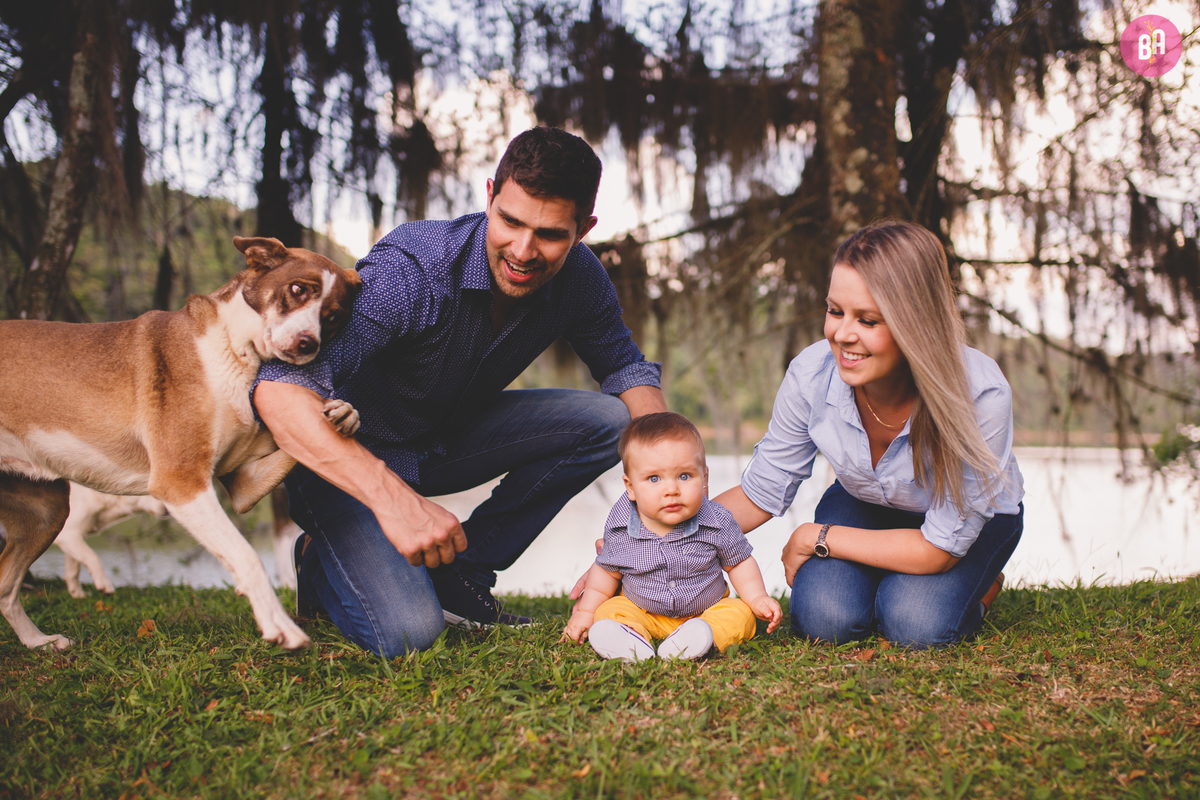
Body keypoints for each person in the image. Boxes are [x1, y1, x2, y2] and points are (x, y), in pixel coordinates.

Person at [253, 127, 666, 658]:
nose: (523, 250)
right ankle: (321, 559)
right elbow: (279, 388)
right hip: (344, 458)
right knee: (408, 634)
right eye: (510, 221)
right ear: (491, 195)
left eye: (550, 234)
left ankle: (462, 573)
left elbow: (625, 368)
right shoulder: (415, 269)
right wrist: (393, 500)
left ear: (582, 229)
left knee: (610, 421)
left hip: (442, 440)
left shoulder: (580, 279)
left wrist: (670, 492)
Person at [713, 220, 1025, 649]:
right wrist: (653, 535)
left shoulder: (979, 394)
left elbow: (938, 548)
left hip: (963, 525)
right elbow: (761, 491)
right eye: (835, 311)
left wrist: (817, 537)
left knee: (915, 625)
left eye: (869, 320)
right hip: (866, 501)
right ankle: (882, 575)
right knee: (826, 622)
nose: (843, 335)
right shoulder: (812, 373)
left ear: (917, 323)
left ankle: (981, 587)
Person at [564, 412, 782, 661]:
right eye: (654, 478)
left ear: (704, 478)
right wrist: (586, 611)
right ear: (631, 487)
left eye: (685, 476)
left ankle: (702, 637)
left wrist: (756, 597)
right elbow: (605, 572)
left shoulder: (717, 521)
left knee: (739, 613)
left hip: (706, 612)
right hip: (643, 610)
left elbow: (739, 562)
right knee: (611, 609)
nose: (671, 490)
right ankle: (630, 638)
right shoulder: (620, 526)